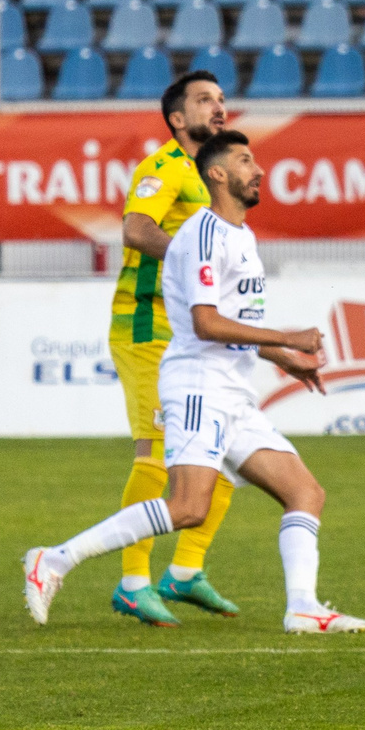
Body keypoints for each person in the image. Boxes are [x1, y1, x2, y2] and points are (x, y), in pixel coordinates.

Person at [24, 131, 365, 634]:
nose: (259, 170)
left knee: (305, 493)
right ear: (218, 174)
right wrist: (286, 335)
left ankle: (303, 608)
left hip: (232, 392)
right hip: (198, 388)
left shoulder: (241, 236)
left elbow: (229, 321)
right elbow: (206, 324)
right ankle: (54, 560)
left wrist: (284, 357)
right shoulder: (203, 235)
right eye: (246, 161)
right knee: (187, 507)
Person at [103, 71, 243, 627]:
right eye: (205, 100)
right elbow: (137, 229)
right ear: (177, 119)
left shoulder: (214, 178)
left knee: (226, 455)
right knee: (157, 458)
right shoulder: (163, 168)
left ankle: (185, 572)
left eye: (222, 99)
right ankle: (133, 582)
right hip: (147, 330)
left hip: (194, 337)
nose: (219, 107)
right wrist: (191, 258)